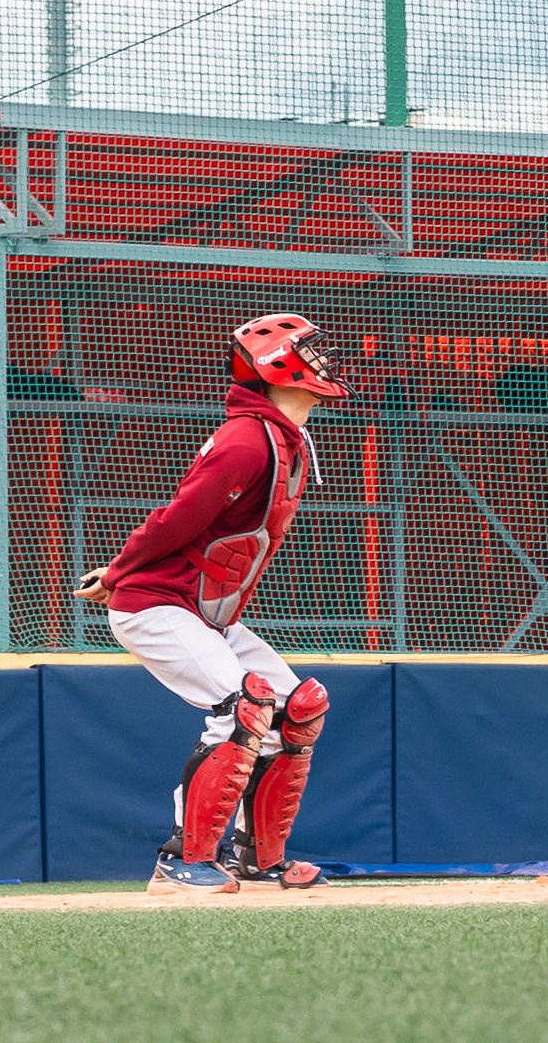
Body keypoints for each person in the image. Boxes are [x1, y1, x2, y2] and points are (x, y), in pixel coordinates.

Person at [72, 313, 347, 893]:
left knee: (298, 708)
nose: (324, 361)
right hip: (155, 603)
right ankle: (181, 861)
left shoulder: (282, 435)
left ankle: (258, 858)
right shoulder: (248, 439)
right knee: (243, 706)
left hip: (205, 613)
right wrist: (121, 571)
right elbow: (180, 517)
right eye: (310, 352)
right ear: (280, 368)